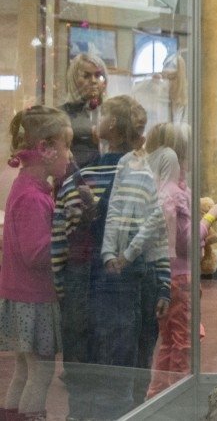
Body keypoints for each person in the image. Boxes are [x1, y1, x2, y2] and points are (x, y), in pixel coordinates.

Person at [51, 95, 148, 420]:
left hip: (83, 281)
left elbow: (61, 238)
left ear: (108, 128)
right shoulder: (143, 177)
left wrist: (60, 286)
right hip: (127, 283)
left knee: (82, 366)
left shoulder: (83, 177)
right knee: (122, 366)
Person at [94, 102, 172, 417]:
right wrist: (109, 252)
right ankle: (117, 410)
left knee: (142, 346)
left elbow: (158, 229)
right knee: (118, 345)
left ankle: (137, 409)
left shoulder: (159, 172)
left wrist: (164, 283)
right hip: (119, 272)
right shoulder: (127, 163)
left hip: (143, 270)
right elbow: (114, 210)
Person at [144, 122, 217, 398]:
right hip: (180, 278)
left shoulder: (162, 186)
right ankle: (179, 395)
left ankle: (158, 393)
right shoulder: (175, 193)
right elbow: (184, 243)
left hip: (167, 276)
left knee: (170, 341)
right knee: (184, 342)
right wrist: (210, 218)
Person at [0, 106, 72, 421]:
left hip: (20, 297)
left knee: (24, 368)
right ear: (45, 149)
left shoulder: (28, 188)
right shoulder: (33, 196)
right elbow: (36, 253)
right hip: (34, 299)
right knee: (40, 373)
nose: (69, 154)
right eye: (65, 145)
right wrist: (68, 235)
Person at [61, 53, 108, 169]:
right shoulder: (61, 114)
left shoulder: (111, 110)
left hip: (105, 175)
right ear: (74, 79)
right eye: (86, 76)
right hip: (72, 177)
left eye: (98, 75)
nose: (93, 81)